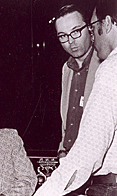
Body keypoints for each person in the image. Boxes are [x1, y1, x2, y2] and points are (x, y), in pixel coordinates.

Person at [28, 0, 117, 196]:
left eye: (81, 31)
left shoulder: (108, 65)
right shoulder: (67, 69)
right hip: (82, 176)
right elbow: (72, 124)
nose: (73, 40)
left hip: (101, 179)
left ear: (100, 27)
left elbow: (93, 141)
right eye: (62, 36)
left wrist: (48, 192)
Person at [55, 3, 101, 159]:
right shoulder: (66, 69)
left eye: (75, 32)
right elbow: (67, 118)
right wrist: (62, 149)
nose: (70, 41)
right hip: (70, 159)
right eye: (63, 36)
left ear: (89, 28)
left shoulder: (104, 64)